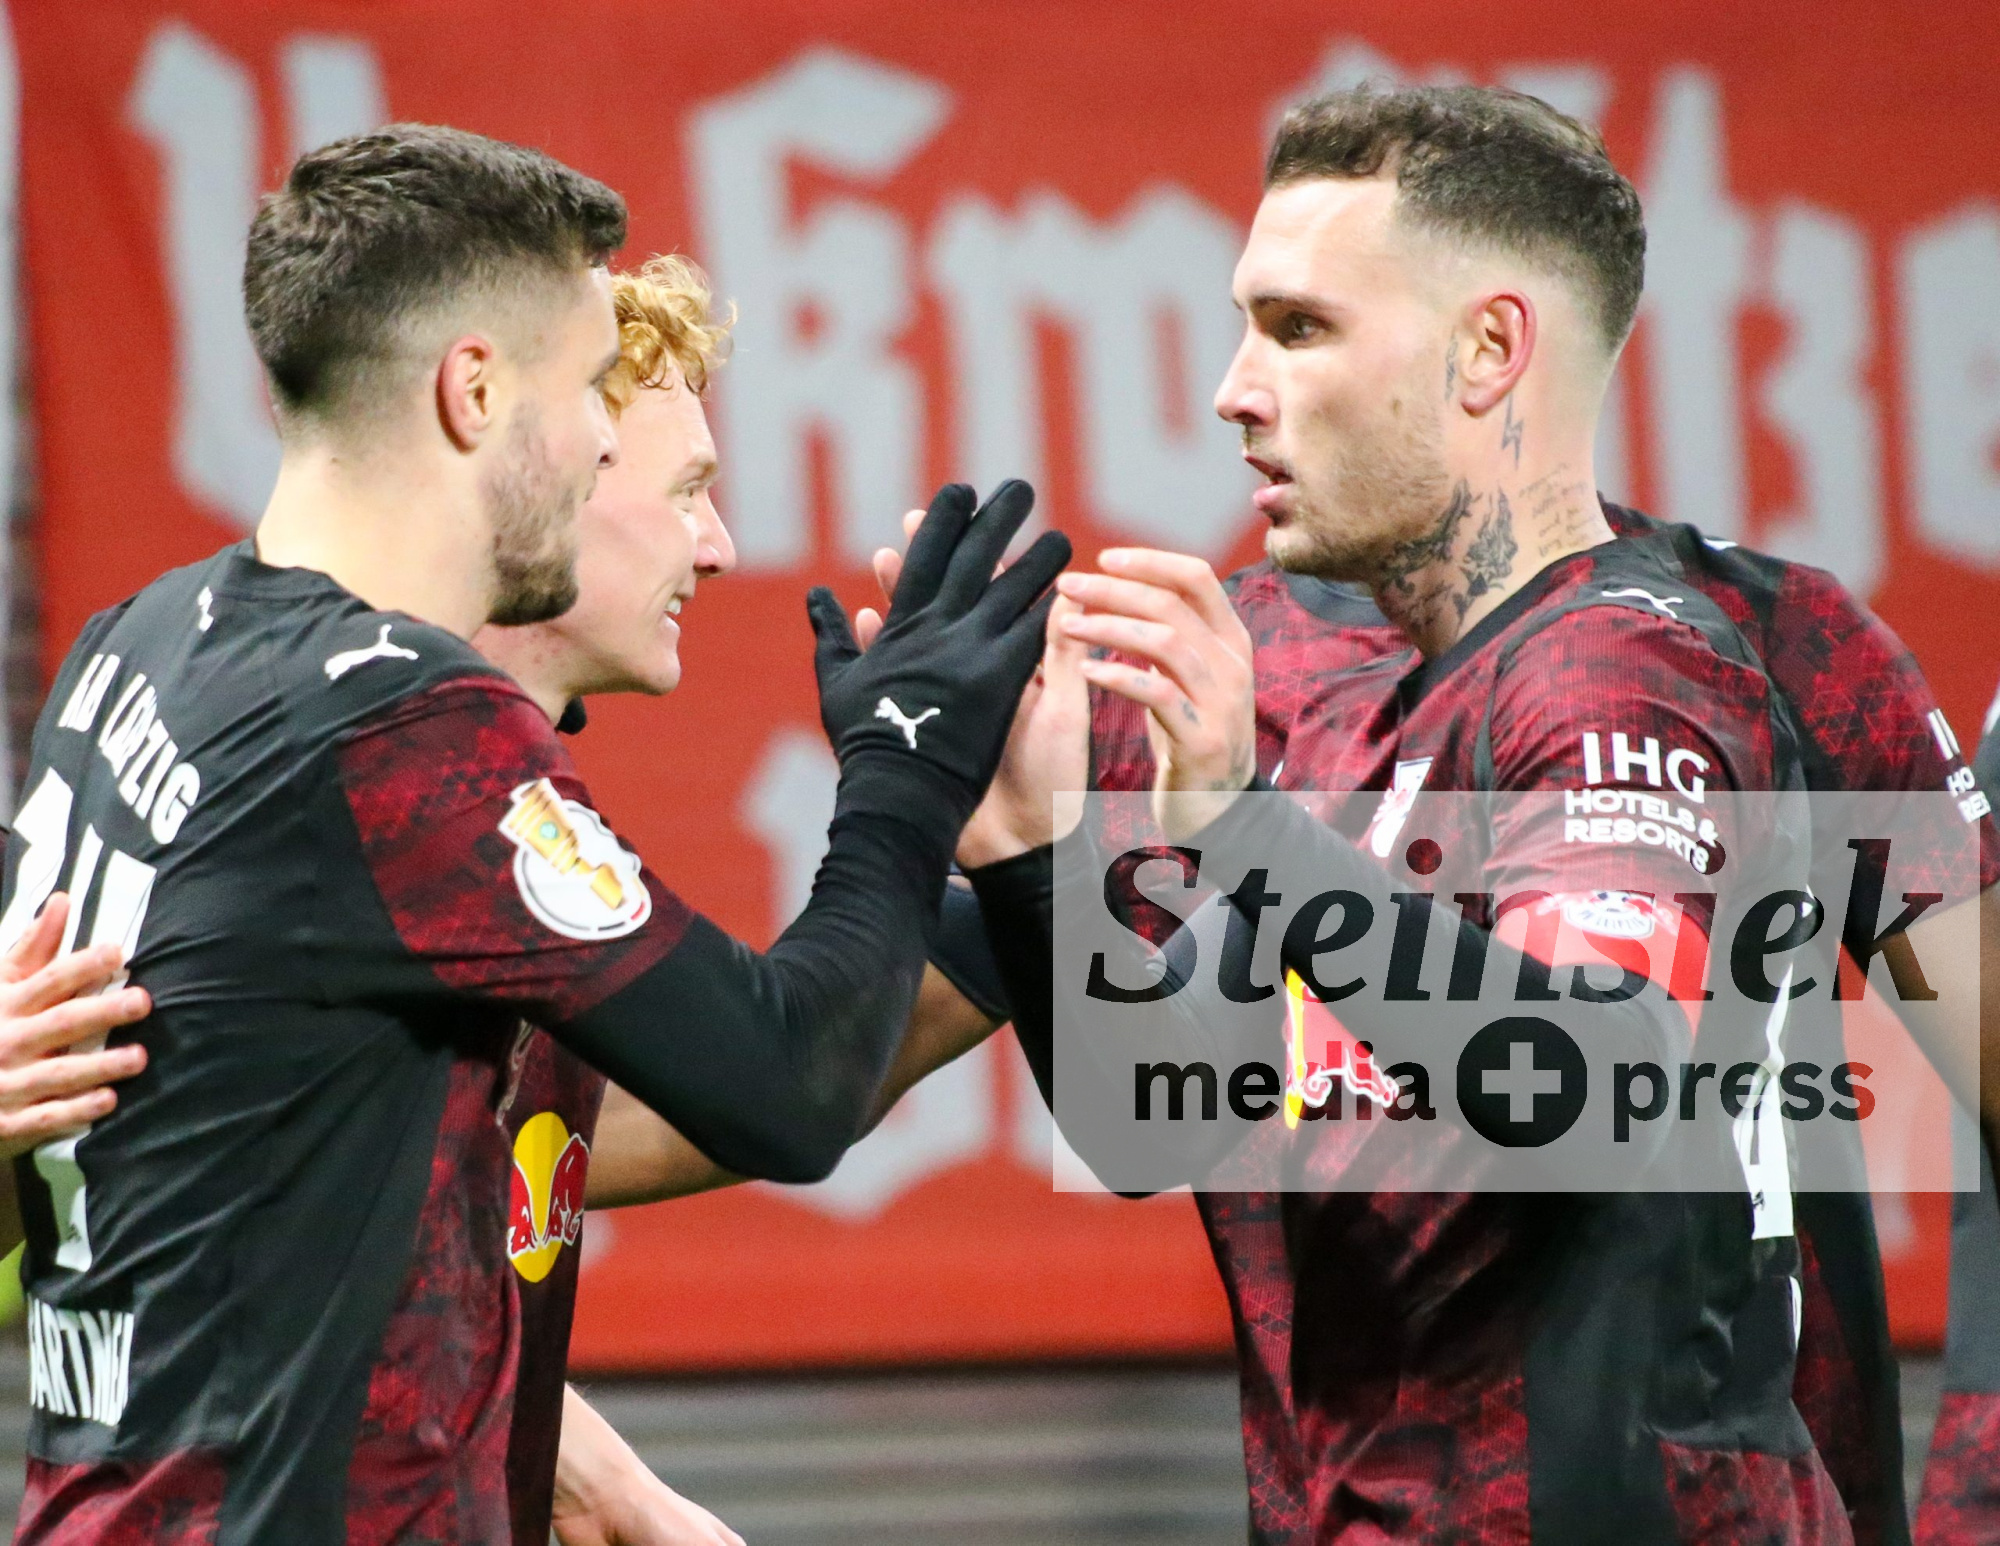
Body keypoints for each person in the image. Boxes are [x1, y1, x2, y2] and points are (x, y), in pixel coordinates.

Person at [1, 122, 1065, 1543]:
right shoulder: (395, 731)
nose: (710, 535)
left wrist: (1039, 875)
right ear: (476, 390)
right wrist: (911, 769)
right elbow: (784, 1085)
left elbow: (372, 1147)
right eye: (596, 408)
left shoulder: (139, 644)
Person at [960, 84, 1854, 1541]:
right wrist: (1025, 847)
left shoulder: (1622, 667)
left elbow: (1597, 1088)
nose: (1235, 388)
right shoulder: (1347, 698)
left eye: (1301, 327)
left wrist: (1242, 828)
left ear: (1489, 351)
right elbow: (1151, 1119)